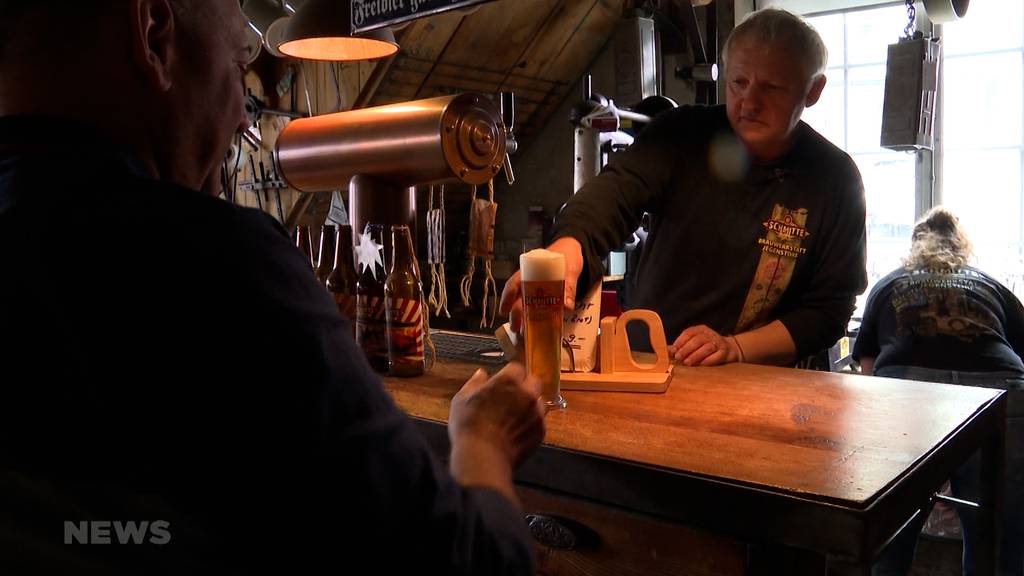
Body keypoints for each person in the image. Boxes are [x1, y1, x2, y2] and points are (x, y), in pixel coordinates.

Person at [0, 1, 544, 574]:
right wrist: (484, 441)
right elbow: (473, 562)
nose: (242, 120)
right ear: (154, 35)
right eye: (239, 68)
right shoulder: (215, 270)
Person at [501, 8, 866, 368]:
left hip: (763, 381)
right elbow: (613, 194)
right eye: (739, 82)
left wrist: (736, 348)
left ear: (813, 90)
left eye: (772, 88)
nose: (750, 103)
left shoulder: (835, 179)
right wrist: (568, 248)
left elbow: (830, 309)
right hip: (648, 363)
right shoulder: (680, 135)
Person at [853, 207, 1024, 576]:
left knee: (890, 532)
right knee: (996, 538)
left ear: (915, 247)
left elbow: (867, 367)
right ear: (962, 248)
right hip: (998, 388)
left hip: (906, 388)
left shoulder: (890, 283)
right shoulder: (988, 283)